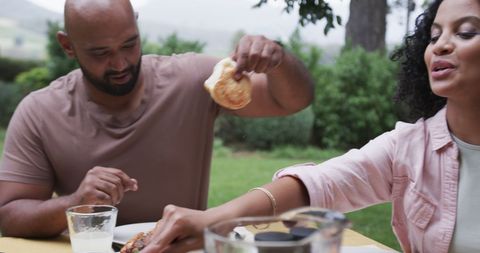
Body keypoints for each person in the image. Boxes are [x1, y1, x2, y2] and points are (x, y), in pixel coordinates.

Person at [140, 0, 480, 252]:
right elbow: (320, 185)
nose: (441, 45)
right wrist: (216, 221)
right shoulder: (409, 147)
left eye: (466, 32)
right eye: (434, 35)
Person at [0, 0, 315, 238]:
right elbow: (8, 215)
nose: (121, 62)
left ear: (137, 26)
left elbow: (291, 100)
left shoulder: (192, 79)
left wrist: (278, 60)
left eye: (129, 43)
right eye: (100, 53)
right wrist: (74, 203)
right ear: (68, 45)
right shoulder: (40, 112)